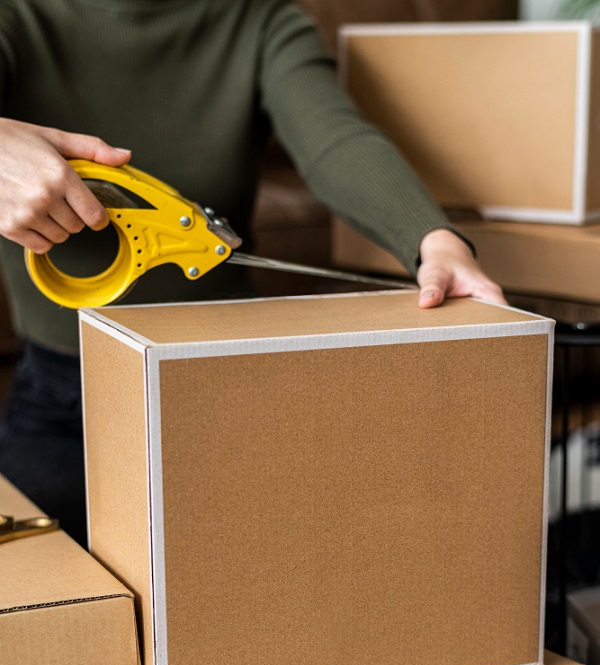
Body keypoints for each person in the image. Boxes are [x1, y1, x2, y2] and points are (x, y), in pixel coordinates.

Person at [0, 0, 504, 544]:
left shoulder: (261, 18)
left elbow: (335, 138)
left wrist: (434, 239)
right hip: (63, 394)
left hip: (224, 382)